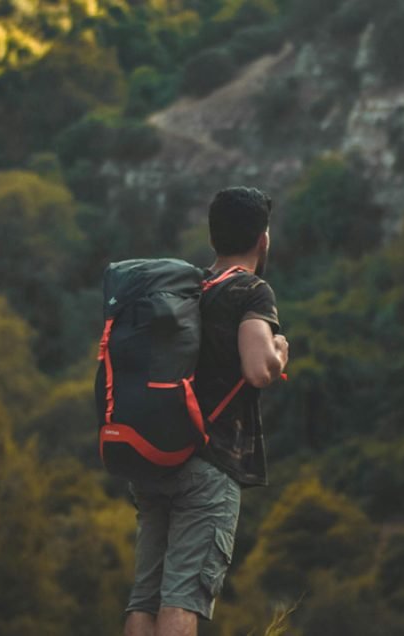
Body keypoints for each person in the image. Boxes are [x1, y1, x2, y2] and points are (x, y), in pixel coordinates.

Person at [124, 187, 289, 636]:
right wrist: (278, 349)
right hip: (209, 463)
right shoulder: (251, 291)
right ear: (263, 240)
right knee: (182, 600)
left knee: (145, 599)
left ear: (214, 236)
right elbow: (257, 369)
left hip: (155, 457)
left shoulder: (186, 287)